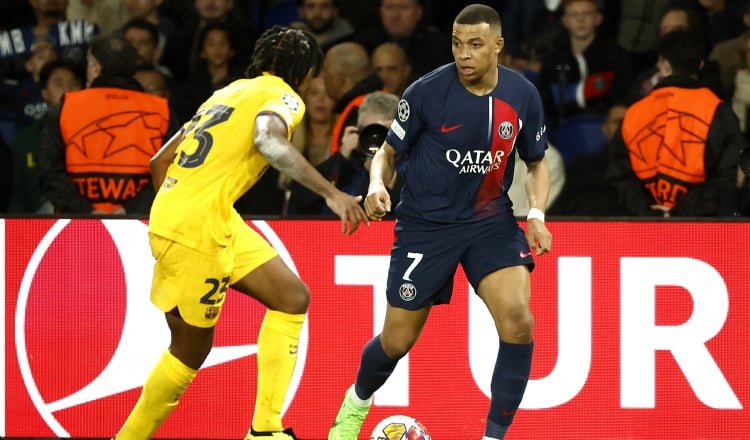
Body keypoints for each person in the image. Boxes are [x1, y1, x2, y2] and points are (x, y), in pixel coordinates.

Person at [113, 25, 368, 440]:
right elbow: (267, 140)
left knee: (291, 297)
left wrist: (178, 211)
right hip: (199, 226)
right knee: (190, 349)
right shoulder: (285, 96)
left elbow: (160, 161)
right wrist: (332, 193)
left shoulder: (228, 92)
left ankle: (264, 430)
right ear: (303, 72)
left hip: (202, 215)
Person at [328, 5, 552, 440]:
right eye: (456, 43)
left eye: (475, 45)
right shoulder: (425, 93)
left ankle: (493, 437)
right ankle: (355, 404)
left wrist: (538, 216)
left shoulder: (522, 95)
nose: (463, 54)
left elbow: (537, 163)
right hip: (425, 226)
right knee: (396, 341)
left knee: (519, 322)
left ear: (498, 46)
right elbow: (388, 154)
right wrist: (377, 185)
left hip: (489, 222)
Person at [605, 29, 744, 217]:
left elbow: (619, 177)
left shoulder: (634, 113)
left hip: (643, 230)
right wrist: (681, 212)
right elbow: (731, 176)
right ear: (701, 65)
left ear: (664, 65)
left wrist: (649, 214)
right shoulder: (720, 112)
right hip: (703, 231)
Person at [38, 34, 177, 215]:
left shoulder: (64, 109)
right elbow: (173, 173)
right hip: (141, 225)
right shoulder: (162, 112)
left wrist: (87, 212)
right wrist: (131, 210)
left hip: (74, 227)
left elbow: (49, 172)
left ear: (96, 69)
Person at [287, 90, 401, 215]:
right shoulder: (345, 171)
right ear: (358, 131)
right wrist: (340, 159)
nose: (377, 138)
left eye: (386, 132)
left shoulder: (412, 169)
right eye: (371, 131)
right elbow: (299, 203)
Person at [535, 0, 633, 128]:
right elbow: (545, 102)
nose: (580, 20)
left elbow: (623, 96)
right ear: (565, 21)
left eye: (586, 13)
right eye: (574, 15)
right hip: (563, 129)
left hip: (605, 127)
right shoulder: (554, 58)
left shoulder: (615, 55)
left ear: (598, 18)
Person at [9, 58, 84, 214]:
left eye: (73, 84)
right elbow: (18, 194)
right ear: (45, 93)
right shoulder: (25, 137)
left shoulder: (93, 135)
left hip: (83, 219)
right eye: (58, 84)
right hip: (36, 221)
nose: (67, 91)